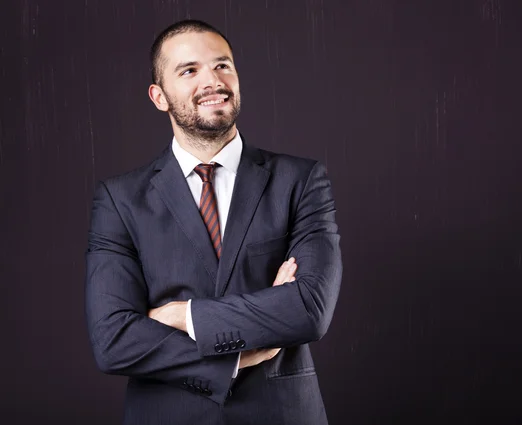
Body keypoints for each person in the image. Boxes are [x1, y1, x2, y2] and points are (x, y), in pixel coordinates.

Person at [84, 19, 342, 425]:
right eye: (189, 70)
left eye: (223, 66)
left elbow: (309, 309)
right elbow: (113, 341)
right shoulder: (120, 200)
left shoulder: (301, 180)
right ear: (159, 96)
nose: (213, 81)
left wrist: (184, 316)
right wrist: (238, 356)